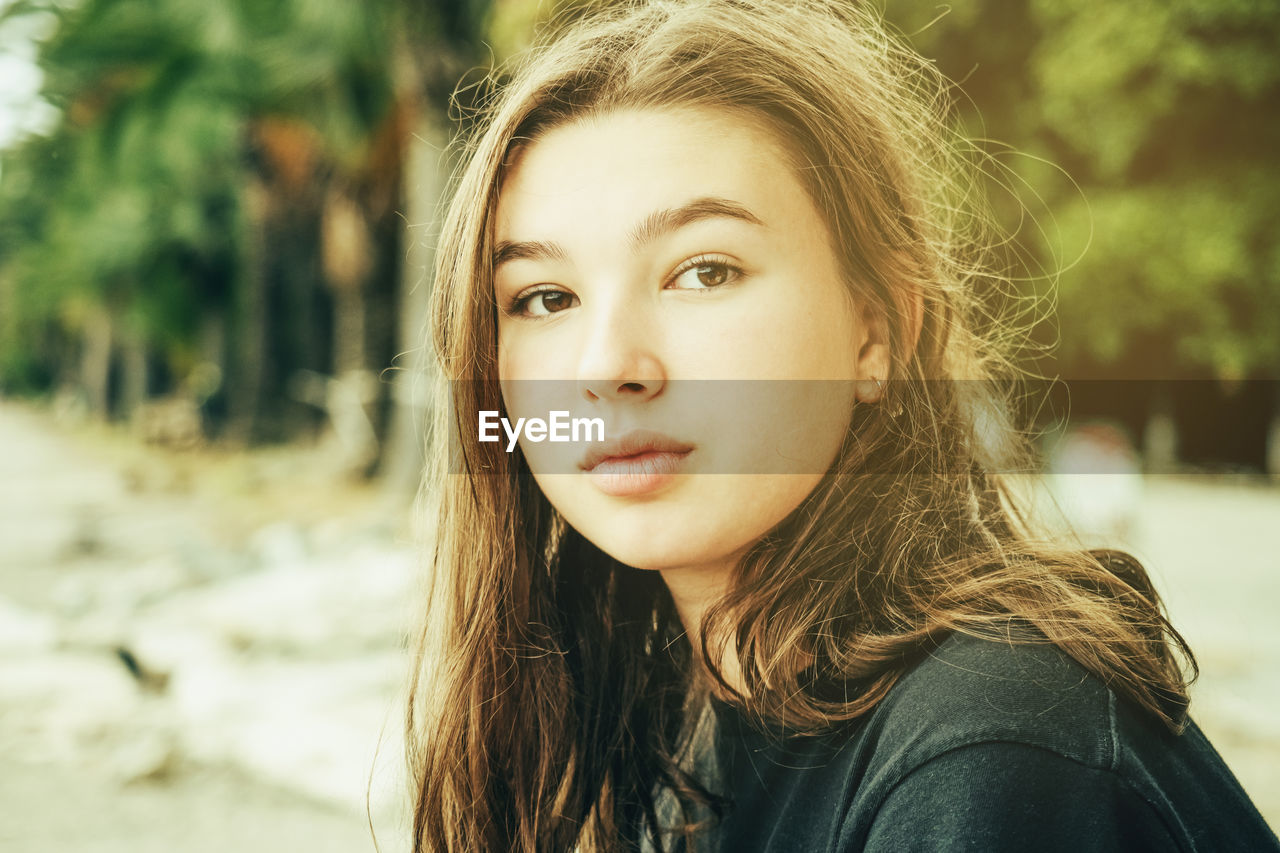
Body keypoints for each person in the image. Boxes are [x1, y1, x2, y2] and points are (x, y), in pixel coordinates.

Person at [405, 1, 1280, 850]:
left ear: (875, 331)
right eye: (544, 297)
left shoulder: (991, 748)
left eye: (703, 271)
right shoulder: (651, 721)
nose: (609, 365)